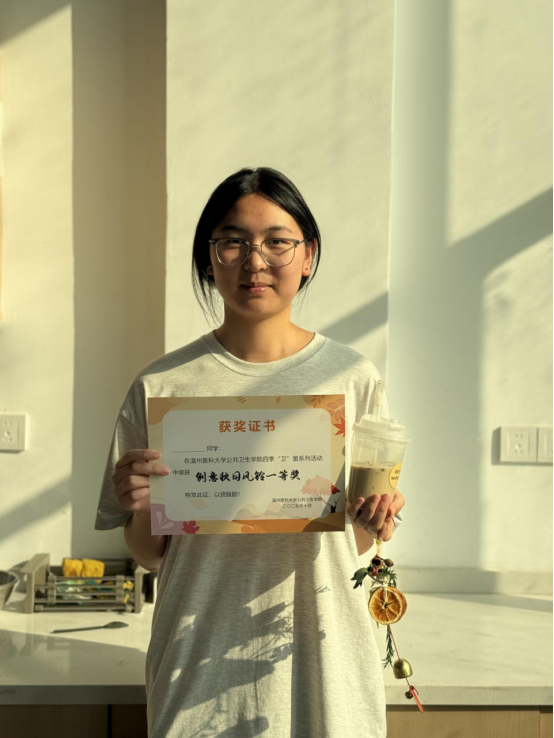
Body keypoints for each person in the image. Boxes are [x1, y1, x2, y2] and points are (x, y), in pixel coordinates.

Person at [95, 166, 405, 738]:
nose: (254, 260)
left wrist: (375, 516)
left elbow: (358, 543)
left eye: (277, 241)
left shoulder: (352, 378)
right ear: (208, 259)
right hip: (197, 656)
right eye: (233, 241)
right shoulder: (162, 385)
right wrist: (139, 505)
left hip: (323, 650)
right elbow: (149, 555)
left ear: (308, 255)